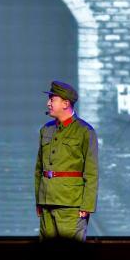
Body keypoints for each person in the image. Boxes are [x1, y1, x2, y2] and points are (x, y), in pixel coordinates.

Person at [35, 81, 98, 241]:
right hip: (47, 201)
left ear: (65, 103)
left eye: (52, 99)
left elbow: (91, 172)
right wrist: (39, 201)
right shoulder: (46, 130)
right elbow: (38, 169)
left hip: (71, 204)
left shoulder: (85, 131)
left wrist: (87, 205)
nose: (48, 103)